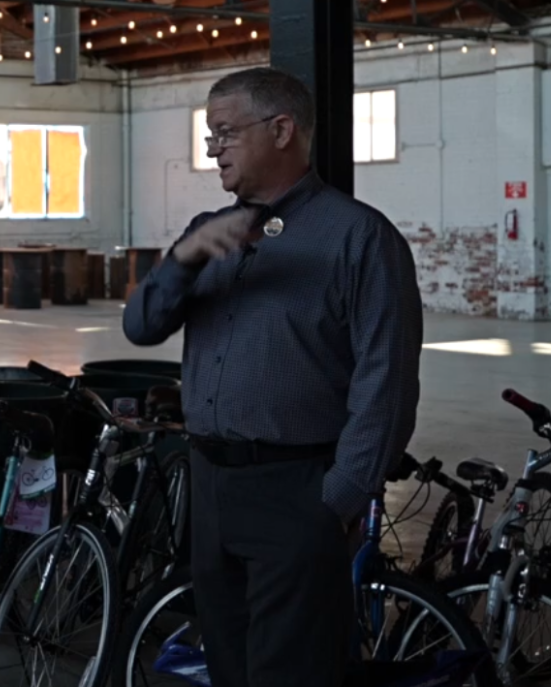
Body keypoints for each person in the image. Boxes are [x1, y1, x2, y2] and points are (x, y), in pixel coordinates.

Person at [123, 67, 423, 686]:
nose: (214, 151)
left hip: (297, 490)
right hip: (209, 486)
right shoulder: (205, 233)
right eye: (209, 137)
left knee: (292, 671)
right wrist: (186, 258)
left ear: (282, 129)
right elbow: (142, 325)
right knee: (228, 664)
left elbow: (385, 386)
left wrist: (335, 502)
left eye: (225, 133)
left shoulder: (358, 238)